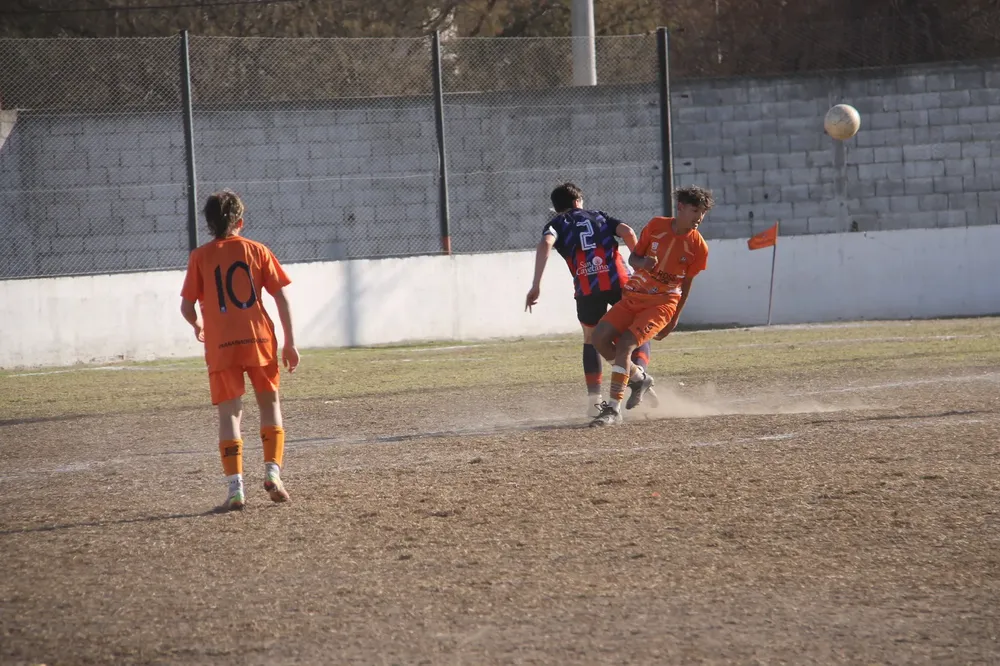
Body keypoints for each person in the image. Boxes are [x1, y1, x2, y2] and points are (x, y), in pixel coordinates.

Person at [180, 190, 300, 511]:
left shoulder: (199, 258)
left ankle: (236, 489)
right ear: (240, 222)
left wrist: (198, 326)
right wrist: (289, 341)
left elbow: (187, 307)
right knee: (269, 402)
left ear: (208, 225)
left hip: (221, 346)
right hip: (259, 340)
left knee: (229, 414)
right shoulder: (257, 250)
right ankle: (273, 473)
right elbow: (281, 298)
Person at [525, 182, 657, 416]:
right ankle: (640, 376)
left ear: (557, 208)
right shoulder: (599, 216)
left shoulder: (556, 223)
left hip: (587, 288)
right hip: (619, 280)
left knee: (591, 339)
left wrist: (536, 284)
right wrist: (640, 266)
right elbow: (627, 231)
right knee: (636, 331)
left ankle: (595, 401)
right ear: (578, 202)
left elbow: (546, 242)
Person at [589, 185, 714, 427]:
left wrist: (674, 318)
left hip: (663, 304)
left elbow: (686, 285)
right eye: (695, 210)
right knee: (599, 338)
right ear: (681, 208)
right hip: (636, 296)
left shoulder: (698, 247)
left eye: (703, 213)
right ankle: (638, 378)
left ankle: (613, 409)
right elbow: (633, 258)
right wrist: (643, 262)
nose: (699, 217)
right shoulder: (656, 226)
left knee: (625, 343)